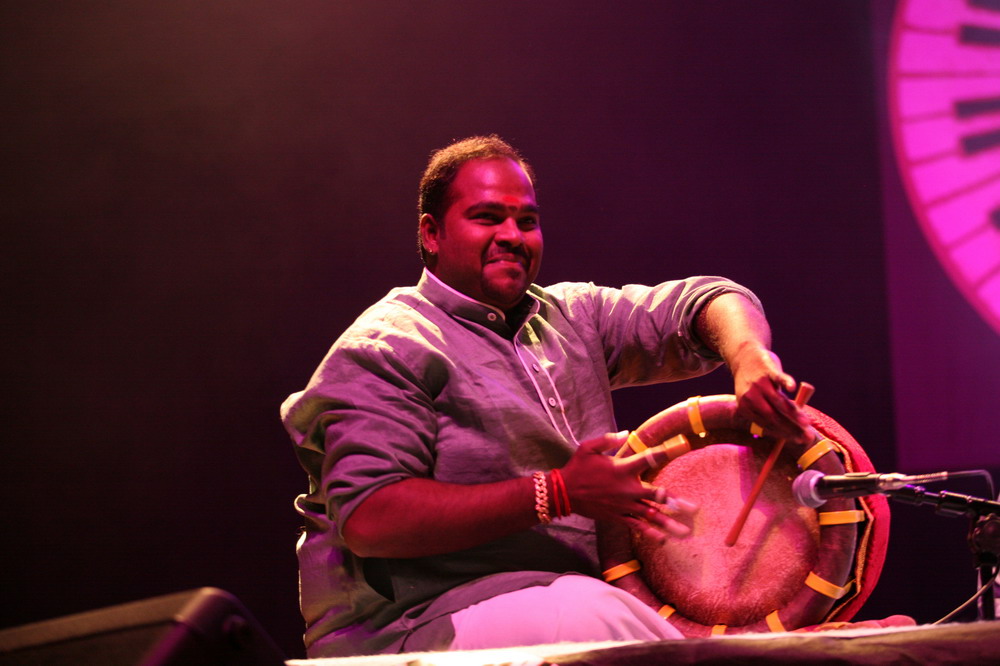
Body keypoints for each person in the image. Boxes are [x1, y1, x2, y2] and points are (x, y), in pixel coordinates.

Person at [280, 135, 811, 657]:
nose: (513, 235)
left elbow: (708, 300)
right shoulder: (389, 346)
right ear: (432, 233)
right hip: (407, 629)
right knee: (590, 617)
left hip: (557, 602)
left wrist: (748, 357)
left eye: (527, 221)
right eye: (488, 217)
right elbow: (370, 518)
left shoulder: (572, 317)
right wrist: (556, 492)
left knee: (614, 615)